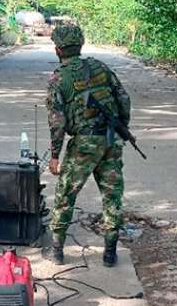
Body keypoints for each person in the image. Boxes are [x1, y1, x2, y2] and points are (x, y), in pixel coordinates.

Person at [43, 23, 131, 267]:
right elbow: (123, 98)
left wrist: (54, 155)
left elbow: (57, 122)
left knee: (66, 194)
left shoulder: (59, 78)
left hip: (83, 144)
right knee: (112, 195)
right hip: (111, 139)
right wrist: (122, 126)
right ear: (79, 46)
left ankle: (57, 250)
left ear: (58, 50)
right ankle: (110, 252)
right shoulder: (100, 67)